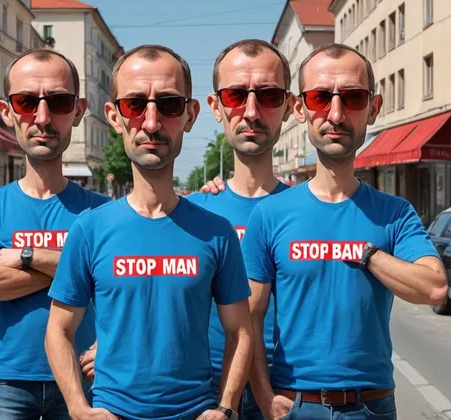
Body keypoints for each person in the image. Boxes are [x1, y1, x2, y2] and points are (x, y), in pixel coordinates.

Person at [45, 44, 253, 420]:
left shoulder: (217, 233)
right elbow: (58, 330)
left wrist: (225, 407)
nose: (152, 122)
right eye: (135, 104)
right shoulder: (90, 230)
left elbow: (240, 331)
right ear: (114, 116)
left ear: (190, 115)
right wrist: (78, 408)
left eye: (169, 105)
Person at [241, 43, 448, 420]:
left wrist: (368, 254)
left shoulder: (395, 214)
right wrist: (264, 394)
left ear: (373, 107)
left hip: (372, 407)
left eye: (352, 98)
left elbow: (434, 287)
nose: (336, 114)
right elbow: (248, 319)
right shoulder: (269, 215)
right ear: (301, 108)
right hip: (294, 405)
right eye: (321, 97)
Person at [0, 49, 110, 419]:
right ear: (7, 111)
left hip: (86, 378)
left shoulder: (102, 211)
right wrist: (77, 271)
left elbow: (119, 293)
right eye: (27, 101)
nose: (42, 117)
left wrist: (25, 257)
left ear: (78, 110)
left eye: (58, 102)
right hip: (8, 384)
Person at [188, 39, 294, 419]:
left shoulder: (305, 211)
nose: (251, 111)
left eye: (267, 95)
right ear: (216, 107)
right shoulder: (195, 210)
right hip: (206, 389)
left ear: (288, 106)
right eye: (235, 95)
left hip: (287, 388)